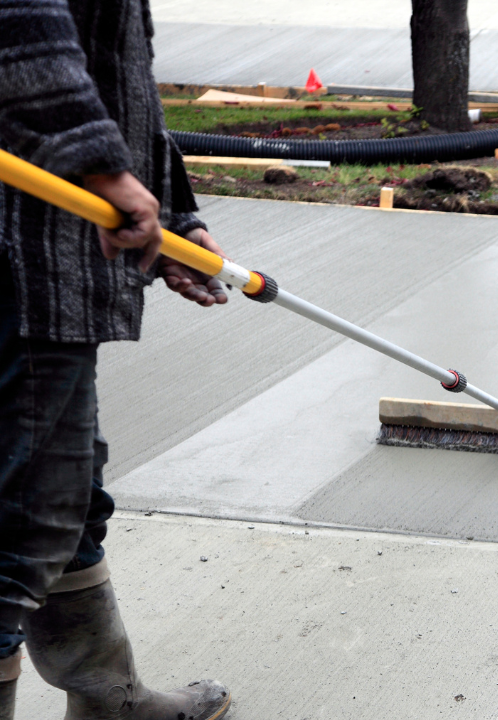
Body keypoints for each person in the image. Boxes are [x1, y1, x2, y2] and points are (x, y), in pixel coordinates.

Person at [1, 1, 232, 718]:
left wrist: (170, 214)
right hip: (23, 260)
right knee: (18, 528)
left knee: (63, 500)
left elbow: (111, 67)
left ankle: (110, 699)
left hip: (56, 260)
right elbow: (18, 19)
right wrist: (99, 166)